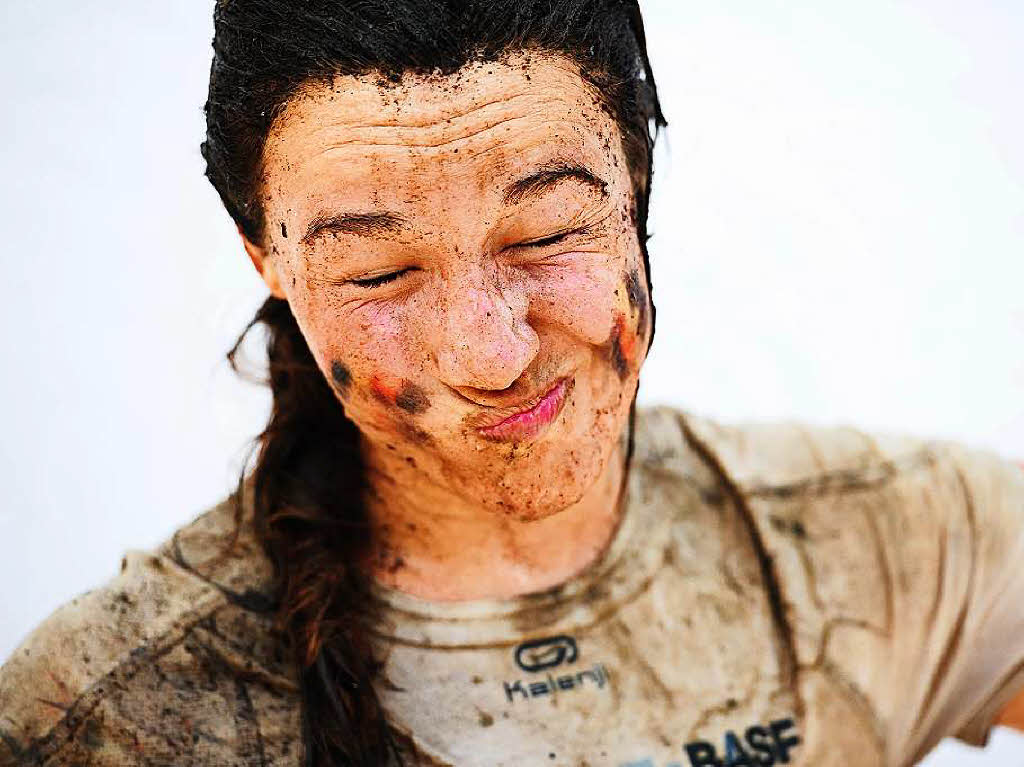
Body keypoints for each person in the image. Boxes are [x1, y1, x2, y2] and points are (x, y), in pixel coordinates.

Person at [1, 1, 1022, 765]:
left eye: (546, 234)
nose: (489, 352)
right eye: (378, 274)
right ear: (265, 260)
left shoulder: (884, 544)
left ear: (635, 187)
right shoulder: (104, 709)